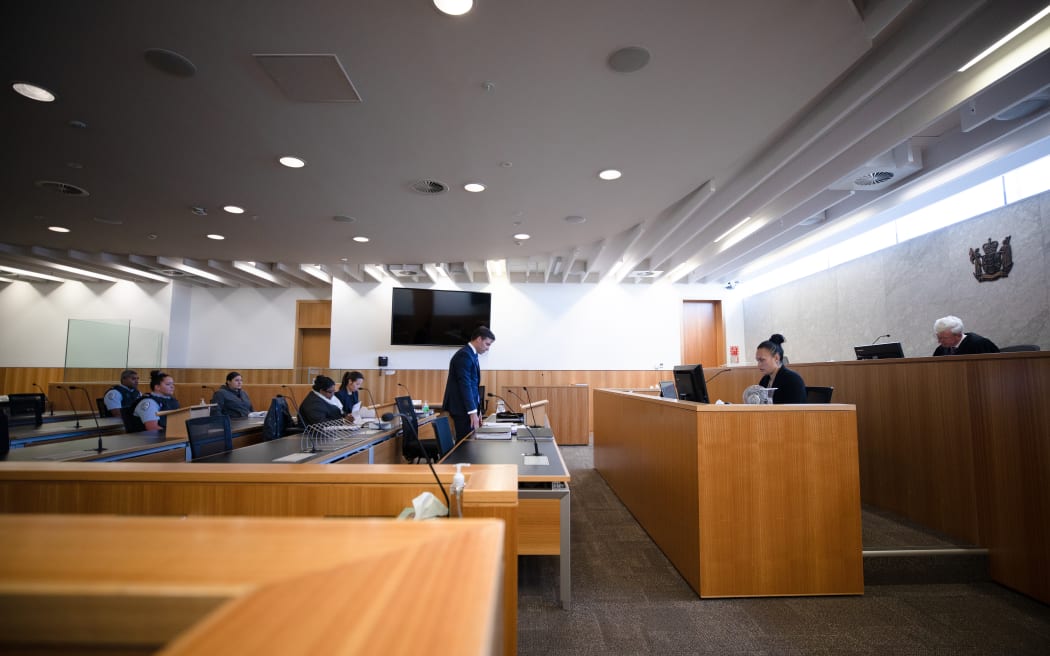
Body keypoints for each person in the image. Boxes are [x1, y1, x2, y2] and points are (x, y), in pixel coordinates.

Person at [442, 326, 495, 440]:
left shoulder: (472, 354)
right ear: (479, 339)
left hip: (466, 408)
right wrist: (472, 412)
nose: (488, 349)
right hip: (462, 408)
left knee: (470, 442)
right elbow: (465, 385)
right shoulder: (464, 355)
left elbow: (473, 386)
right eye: (487, 344)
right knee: (464, 445)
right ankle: (459, 459)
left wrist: (477, 409)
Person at [755, 335, 807, 404]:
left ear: (776, 358)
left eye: (762, 360)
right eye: (757, 360)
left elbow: (794, 412)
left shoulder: (793, 380)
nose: (758, 365)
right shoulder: (764, 381)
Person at [932, 315, 999, 356]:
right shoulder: (940, 350)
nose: (939, 342)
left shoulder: (979, 345)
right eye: (939, 338)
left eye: (944, 338)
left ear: (958, 335)